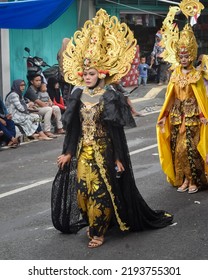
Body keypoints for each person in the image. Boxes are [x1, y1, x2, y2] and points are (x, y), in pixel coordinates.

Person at [54, 9, 173, 249]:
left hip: (104, 150)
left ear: (102, 73)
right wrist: (67, 152)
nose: (87, 77)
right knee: (82, 192)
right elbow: (73, 128)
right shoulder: (78, 94)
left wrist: (118, 157)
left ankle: (98, 230)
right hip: (82, 151)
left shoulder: (109, 95)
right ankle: (96, 222)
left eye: (91, 73)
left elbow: (116, 130)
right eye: (84, 73)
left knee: (100, 191)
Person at [157, 19, 208, 194]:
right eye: (181, 56)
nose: (184, 59)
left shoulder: (197, 75)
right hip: (177, 116)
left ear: (192, 55)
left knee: (191, 149)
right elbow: (170, 96)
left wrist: (202, 114)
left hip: (193, 117)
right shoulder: (175, 74)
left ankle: (194, 179)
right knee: (178, 150)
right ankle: (184, 179)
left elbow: (202, 97)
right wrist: (163, 116)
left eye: (187, 56)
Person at [24, 74, 57, 138]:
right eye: (37, 80)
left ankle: (59, 128)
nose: (39, 82)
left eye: (40, 80)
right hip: (32, 109)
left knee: (56, 108)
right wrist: (50, 107)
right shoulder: (30, 90)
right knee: (49, 109)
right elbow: (41, 104)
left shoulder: (40, 88)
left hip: (40, 107)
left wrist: (50, 103)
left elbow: (48, 99)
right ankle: (47, 131)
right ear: (32, 81)